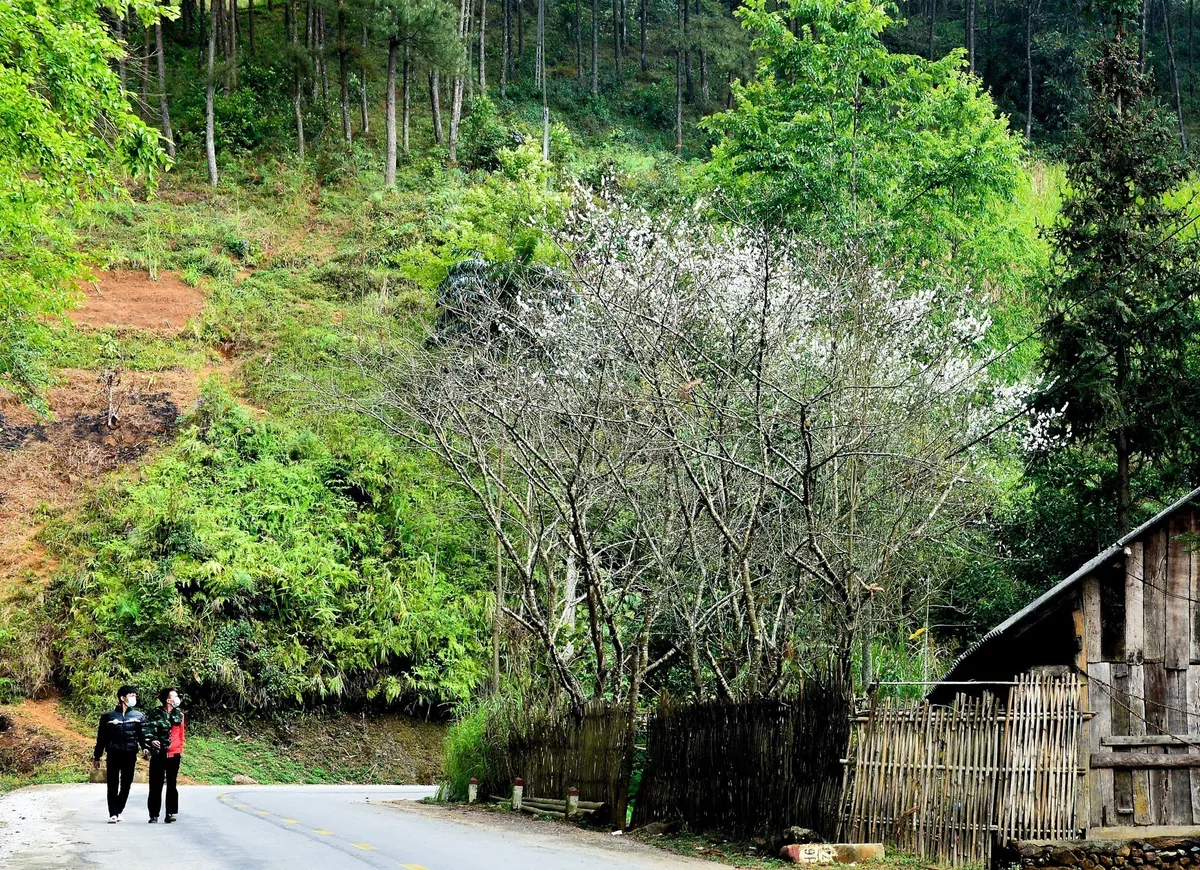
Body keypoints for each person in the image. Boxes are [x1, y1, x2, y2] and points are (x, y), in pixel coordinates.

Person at [93, 685, 147, 823]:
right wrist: (97, 756)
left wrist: (146, 749)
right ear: (122, 698)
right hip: (113, 754)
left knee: (126, 784)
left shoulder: (138, 716)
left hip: (130, 754)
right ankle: (113, 813)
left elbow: (143, 736)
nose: (134, 698)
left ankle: (119, 809)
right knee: (112, 784)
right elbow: (101, 738)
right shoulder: (108, 717)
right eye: (131, 695)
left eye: (134, 695)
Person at [145, 687, 186, 824]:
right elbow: (147, 729)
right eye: (175, 696)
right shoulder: (155, 713)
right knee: (156, 784)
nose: (177, 698)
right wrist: (151, 741)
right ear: (168, 700)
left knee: (172, 784)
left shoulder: (179, 715)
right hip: (158, 753)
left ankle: (170, 812)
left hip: (174, 754)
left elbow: (181, 734)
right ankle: (153, 814)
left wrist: (179, 749)